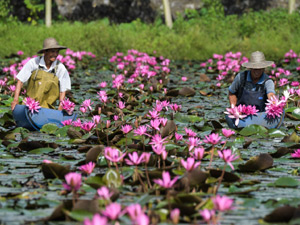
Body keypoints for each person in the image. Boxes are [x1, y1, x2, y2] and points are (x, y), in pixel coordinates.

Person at [11, 37, 71, 111]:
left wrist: (61, 106)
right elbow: (20, 81)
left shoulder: (60, 68)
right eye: (52, 51)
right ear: (45, 52)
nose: (55, 54)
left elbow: (63, 90)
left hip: (48, 109)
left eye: (57, 52)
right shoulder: (33, 63)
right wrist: (15, 100)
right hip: (29, 106)